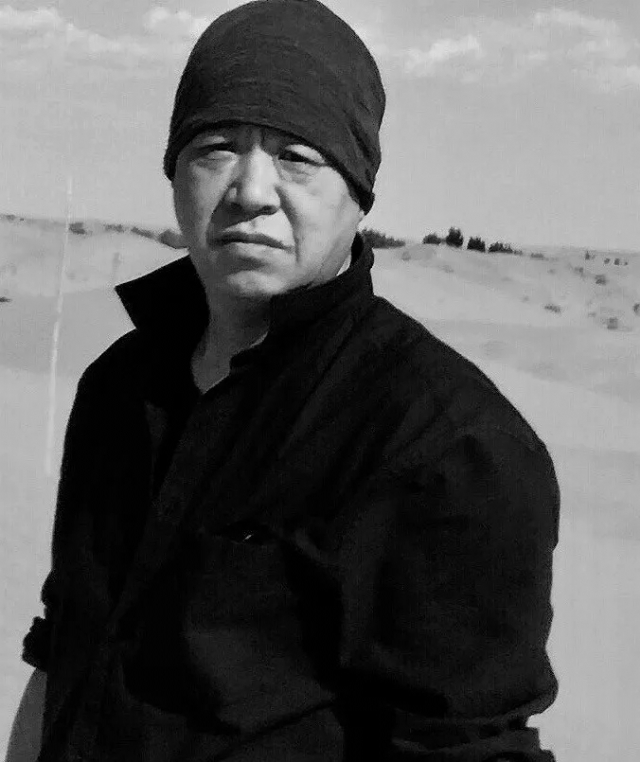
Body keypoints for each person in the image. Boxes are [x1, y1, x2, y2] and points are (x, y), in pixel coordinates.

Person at [12, 1, 560, 760]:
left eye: (298, 156)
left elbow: (466, 746)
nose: (251, 189)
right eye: (216, 148)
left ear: (358, 192)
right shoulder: (119, 387)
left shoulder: (446, 447)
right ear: (174, 174)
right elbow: (64, 649)